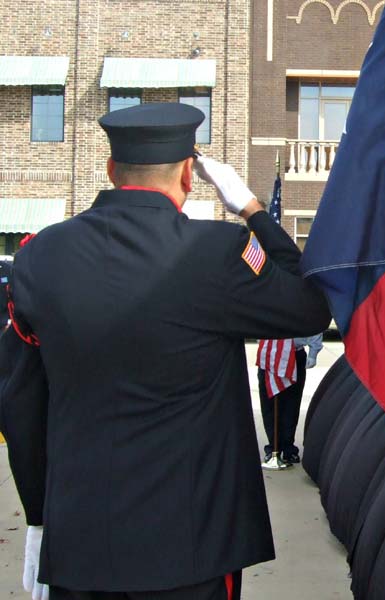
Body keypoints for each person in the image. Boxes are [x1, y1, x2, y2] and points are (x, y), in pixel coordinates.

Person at [0, 102, 331, 600]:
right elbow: (310, 308)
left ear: (112, 170)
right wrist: (251, 209)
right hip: (190, 547)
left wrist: (40, 518)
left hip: (80, 542)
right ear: (189, 175)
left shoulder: (39, 257)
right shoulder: (218, 252)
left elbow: (20, 401)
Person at [257, 333, 324, 465]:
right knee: (269, 404)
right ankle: (273, 447)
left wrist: (313, 352)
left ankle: (288, 447)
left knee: (291, 404)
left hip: (295, 353)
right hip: (269, 354)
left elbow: (311, 322)